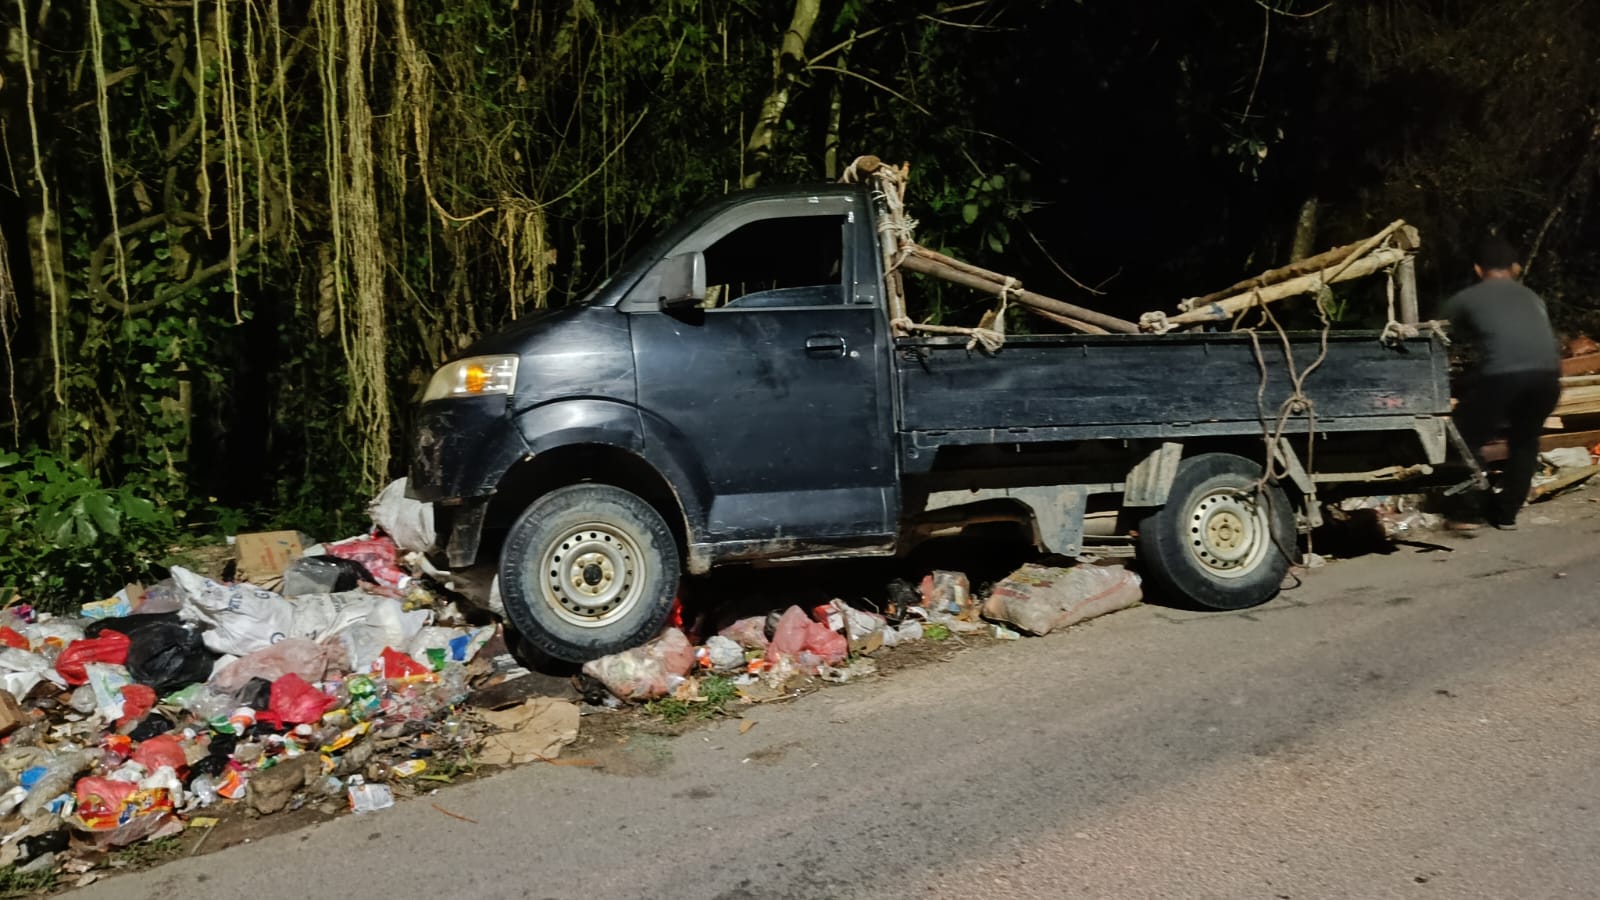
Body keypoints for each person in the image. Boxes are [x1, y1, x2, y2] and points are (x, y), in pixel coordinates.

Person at [1442, 237, 1561, 530]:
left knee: (1459, 437)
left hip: (1504, 376)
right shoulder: (1533, 297)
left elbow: (1434, 332)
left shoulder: (1467, 297)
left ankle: (1468, 512)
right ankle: (1506, 514)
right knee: (1525, 441)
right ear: (1515, 268)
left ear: (1479, 269)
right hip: (1548, 377)